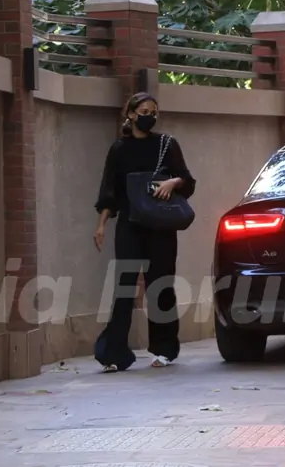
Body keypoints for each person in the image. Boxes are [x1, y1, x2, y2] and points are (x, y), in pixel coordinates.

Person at [92, 92, 197, 373]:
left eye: (154, 111)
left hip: (160, 225)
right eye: (143, 110)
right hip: (129, 224)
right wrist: (102, 224)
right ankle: (114, 353)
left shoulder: (167, 144)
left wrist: (171, 183)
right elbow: (109, 191)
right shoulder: (119, 149)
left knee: (160, 285)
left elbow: (187, 179)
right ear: (130, 114)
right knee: (125, 286)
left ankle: (164, 349)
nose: (149, 115)